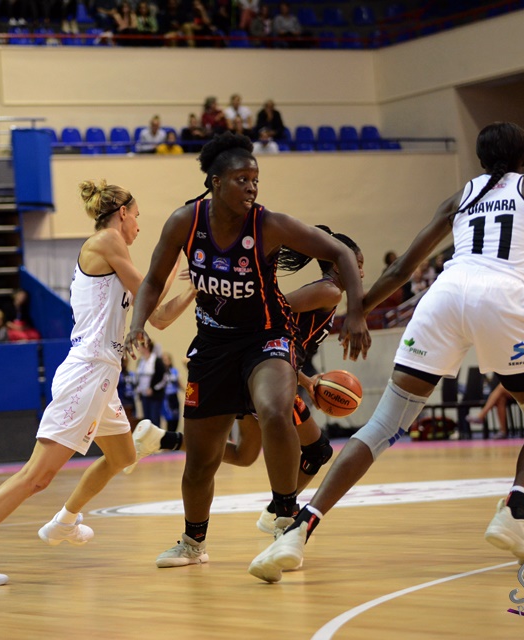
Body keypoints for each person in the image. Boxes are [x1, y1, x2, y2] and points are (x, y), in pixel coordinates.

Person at [248, 122, 524, 583]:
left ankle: (298, 531)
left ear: (480, 159)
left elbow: (403, 268)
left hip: (444, 295)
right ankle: (515, 512)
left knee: (382, 426)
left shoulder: (460, 196)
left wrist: (357, 311)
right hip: (502, 298)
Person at [123, 132, 368, 569]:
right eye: (242, 179)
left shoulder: (269, 224)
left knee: (274, 410)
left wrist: (357, 314)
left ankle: (285, 518)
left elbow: (341, 254)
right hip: (213, 344)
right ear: (216, 182)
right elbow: (154, 279)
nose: (252, 187)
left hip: (266, 336)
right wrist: (137, 324)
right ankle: (192, 543)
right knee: (203, 459)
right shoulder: (185, 221)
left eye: (255, 179)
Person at [0, 178, 195, 587]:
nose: (138, 225)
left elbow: (158, 316)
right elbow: (151, 290)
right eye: (137, 217)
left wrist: (195, 286)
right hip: (88, 372)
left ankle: (65, 520)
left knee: (122, 457)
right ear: (122, 213)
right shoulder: (107, 241)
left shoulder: (114, 250)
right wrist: (179, 253)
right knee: (37, 476)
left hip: (102, 374)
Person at [127, 229, 366, 535]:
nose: (361, 272)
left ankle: (162, 439)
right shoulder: (329, 291)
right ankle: (279, 513)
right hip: (267, 369)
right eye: (357, 264)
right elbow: (274, 314)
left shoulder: (331, 292)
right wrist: (303, 380)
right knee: (318, 450)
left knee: (244, 455)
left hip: (264, 368)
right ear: (338, 264)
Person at [135, 338, 167, 426]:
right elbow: (138, 377)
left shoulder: (156, 360)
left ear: (146, 347)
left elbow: (164, 378)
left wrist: (153, 389)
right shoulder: (141, 361)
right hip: (144, 395)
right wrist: (138, 388)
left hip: (154, 396)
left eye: (141, 346)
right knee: (146, 419)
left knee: (154, 418)